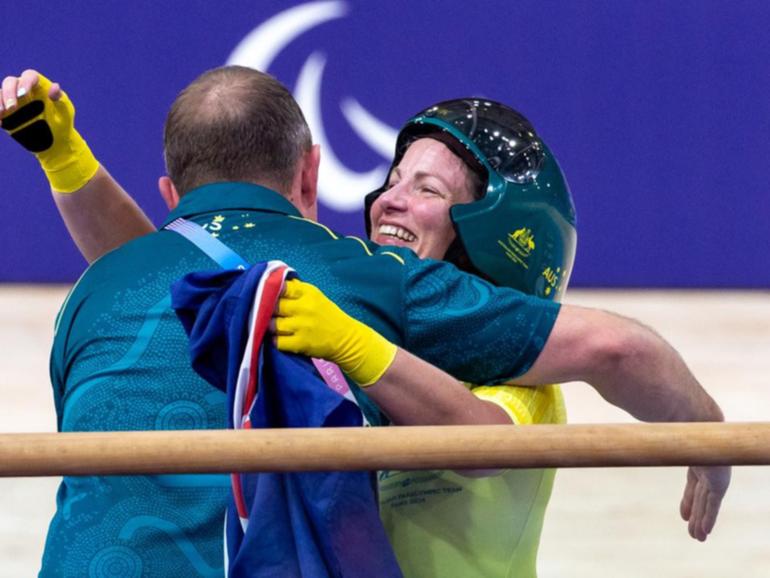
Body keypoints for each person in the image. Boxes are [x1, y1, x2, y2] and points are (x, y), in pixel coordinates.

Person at [1, 68, 729, 577]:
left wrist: (709, 439)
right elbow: (183, 284)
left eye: (428, 189)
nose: (388, 200)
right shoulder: (361, 289)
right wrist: (68, 164)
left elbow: (497, 433)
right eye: (393, 180)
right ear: (309, 175)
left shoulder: (99, 293)